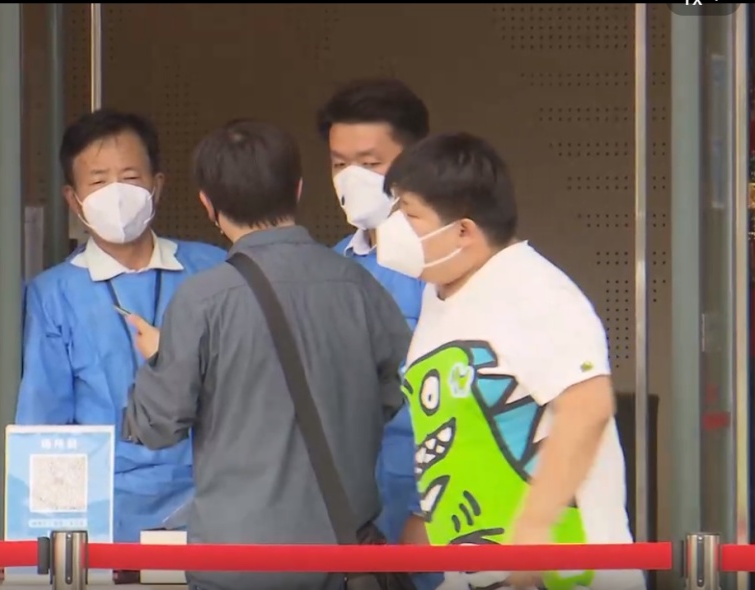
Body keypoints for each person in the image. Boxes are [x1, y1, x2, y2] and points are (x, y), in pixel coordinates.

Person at [123, 119, 412, 590]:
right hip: (341, 557)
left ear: (207, 205)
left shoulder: (202, 299)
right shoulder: (359, 284)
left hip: (236, 563)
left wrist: (161, 358)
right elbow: (395, 391)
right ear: (297, 189)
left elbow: (155, 426)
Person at [376, 132, 645, 590]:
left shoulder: (533, 290)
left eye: (410, 213)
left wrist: (533, 531)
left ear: (463, 231)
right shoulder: (440, 297)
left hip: (565, 574)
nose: (394, 227)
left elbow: (589, 406)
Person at [15, 109, 226, 547]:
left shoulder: (214, 270)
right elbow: (45, 423)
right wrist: (45, 550)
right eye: (98, 182)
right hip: (106, 512)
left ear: (157, 186)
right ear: (74, 200)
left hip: (214, 500)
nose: (115, 194)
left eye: (130, 178)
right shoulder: (52, 294)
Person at [317, 79, 435, 556]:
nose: (352, 179)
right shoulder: (328, 268)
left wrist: (427, 509)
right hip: (345, 513)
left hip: (432, 507)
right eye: (339, 165)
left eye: (369, 164)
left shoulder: (444, 265)